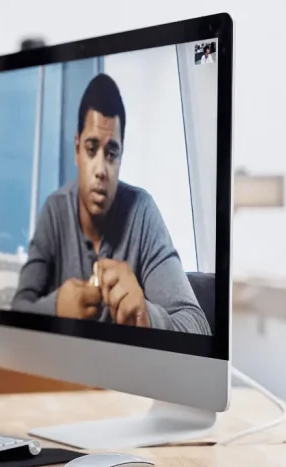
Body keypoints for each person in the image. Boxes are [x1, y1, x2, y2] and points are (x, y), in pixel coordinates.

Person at [11, 73, 210, 334]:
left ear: (121, 158)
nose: (101, 170)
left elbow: (199, 326)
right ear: (76, 150)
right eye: (91, 149)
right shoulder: (55, 210)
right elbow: (16, 312)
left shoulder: (142, 212)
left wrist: (146, 316)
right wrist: (56, 307)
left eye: (112, 154)